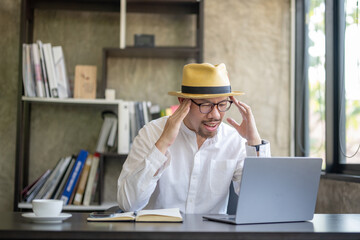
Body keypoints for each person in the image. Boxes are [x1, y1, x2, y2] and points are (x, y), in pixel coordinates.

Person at [117, 63, 271, 214]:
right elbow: (128, 204)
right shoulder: (151, 133)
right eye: (205, 105)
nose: (216, 115)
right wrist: (162, 143)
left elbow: (262, 202)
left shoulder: (234, 140)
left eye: (222, 104)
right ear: (183, 102)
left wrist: (254, 142)